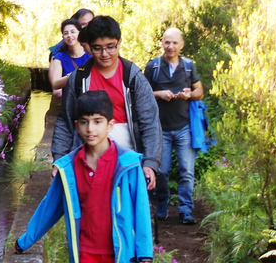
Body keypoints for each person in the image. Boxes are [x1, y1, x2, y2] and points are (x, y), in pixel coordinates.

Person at [15, 91, 152, 263]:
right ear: (76, 125)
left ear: (111, 125)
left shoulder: (128, 164)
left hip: (119, 255)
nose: (91, 128)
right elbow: (50, 206)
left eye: (98, 121)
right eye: (85, 122)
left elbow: (140, 208)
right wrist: (25, 240)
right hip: (87, 254)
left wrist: (143, 249)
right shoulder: (69, 167)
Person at [51, 15, 161, 191]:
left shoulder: (133, 78)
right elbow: (65, 120)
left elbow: (150, 122)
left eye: (111, 47)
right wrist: (59, 160)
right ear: (88, 48)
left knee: (126, 214)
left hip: (128, 162)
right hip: (88, 164)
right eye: (97, 49)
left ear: (119, 42)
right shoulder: (78, 79)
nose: (104, 54)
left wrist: (150, 162)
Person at [144, 27, 204, 225]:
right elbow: (141, 94)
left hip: (184, 127)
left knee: (187, 170)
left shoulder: (188, 66)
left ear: (181, 44)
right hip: (159, 129)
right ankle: (162, 203)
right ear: (162, 43)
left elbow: (199, 92)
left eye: (174, 42)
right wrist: (159, 94)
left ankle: (185, 209)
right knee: (161, 171)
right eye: (167, 42)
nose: (170, 46)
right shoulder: (153, 66)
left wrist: (190, 94)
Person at [49, 18, 91, 96]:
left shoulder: (90, 54)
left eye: (73, 32)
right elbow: (55, 84)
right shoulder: (59, 57)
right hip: (70, 101)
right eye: (66, 33)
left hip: (89, 99)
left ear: (80, 33)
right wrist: (75, 75)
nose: (69, 35)